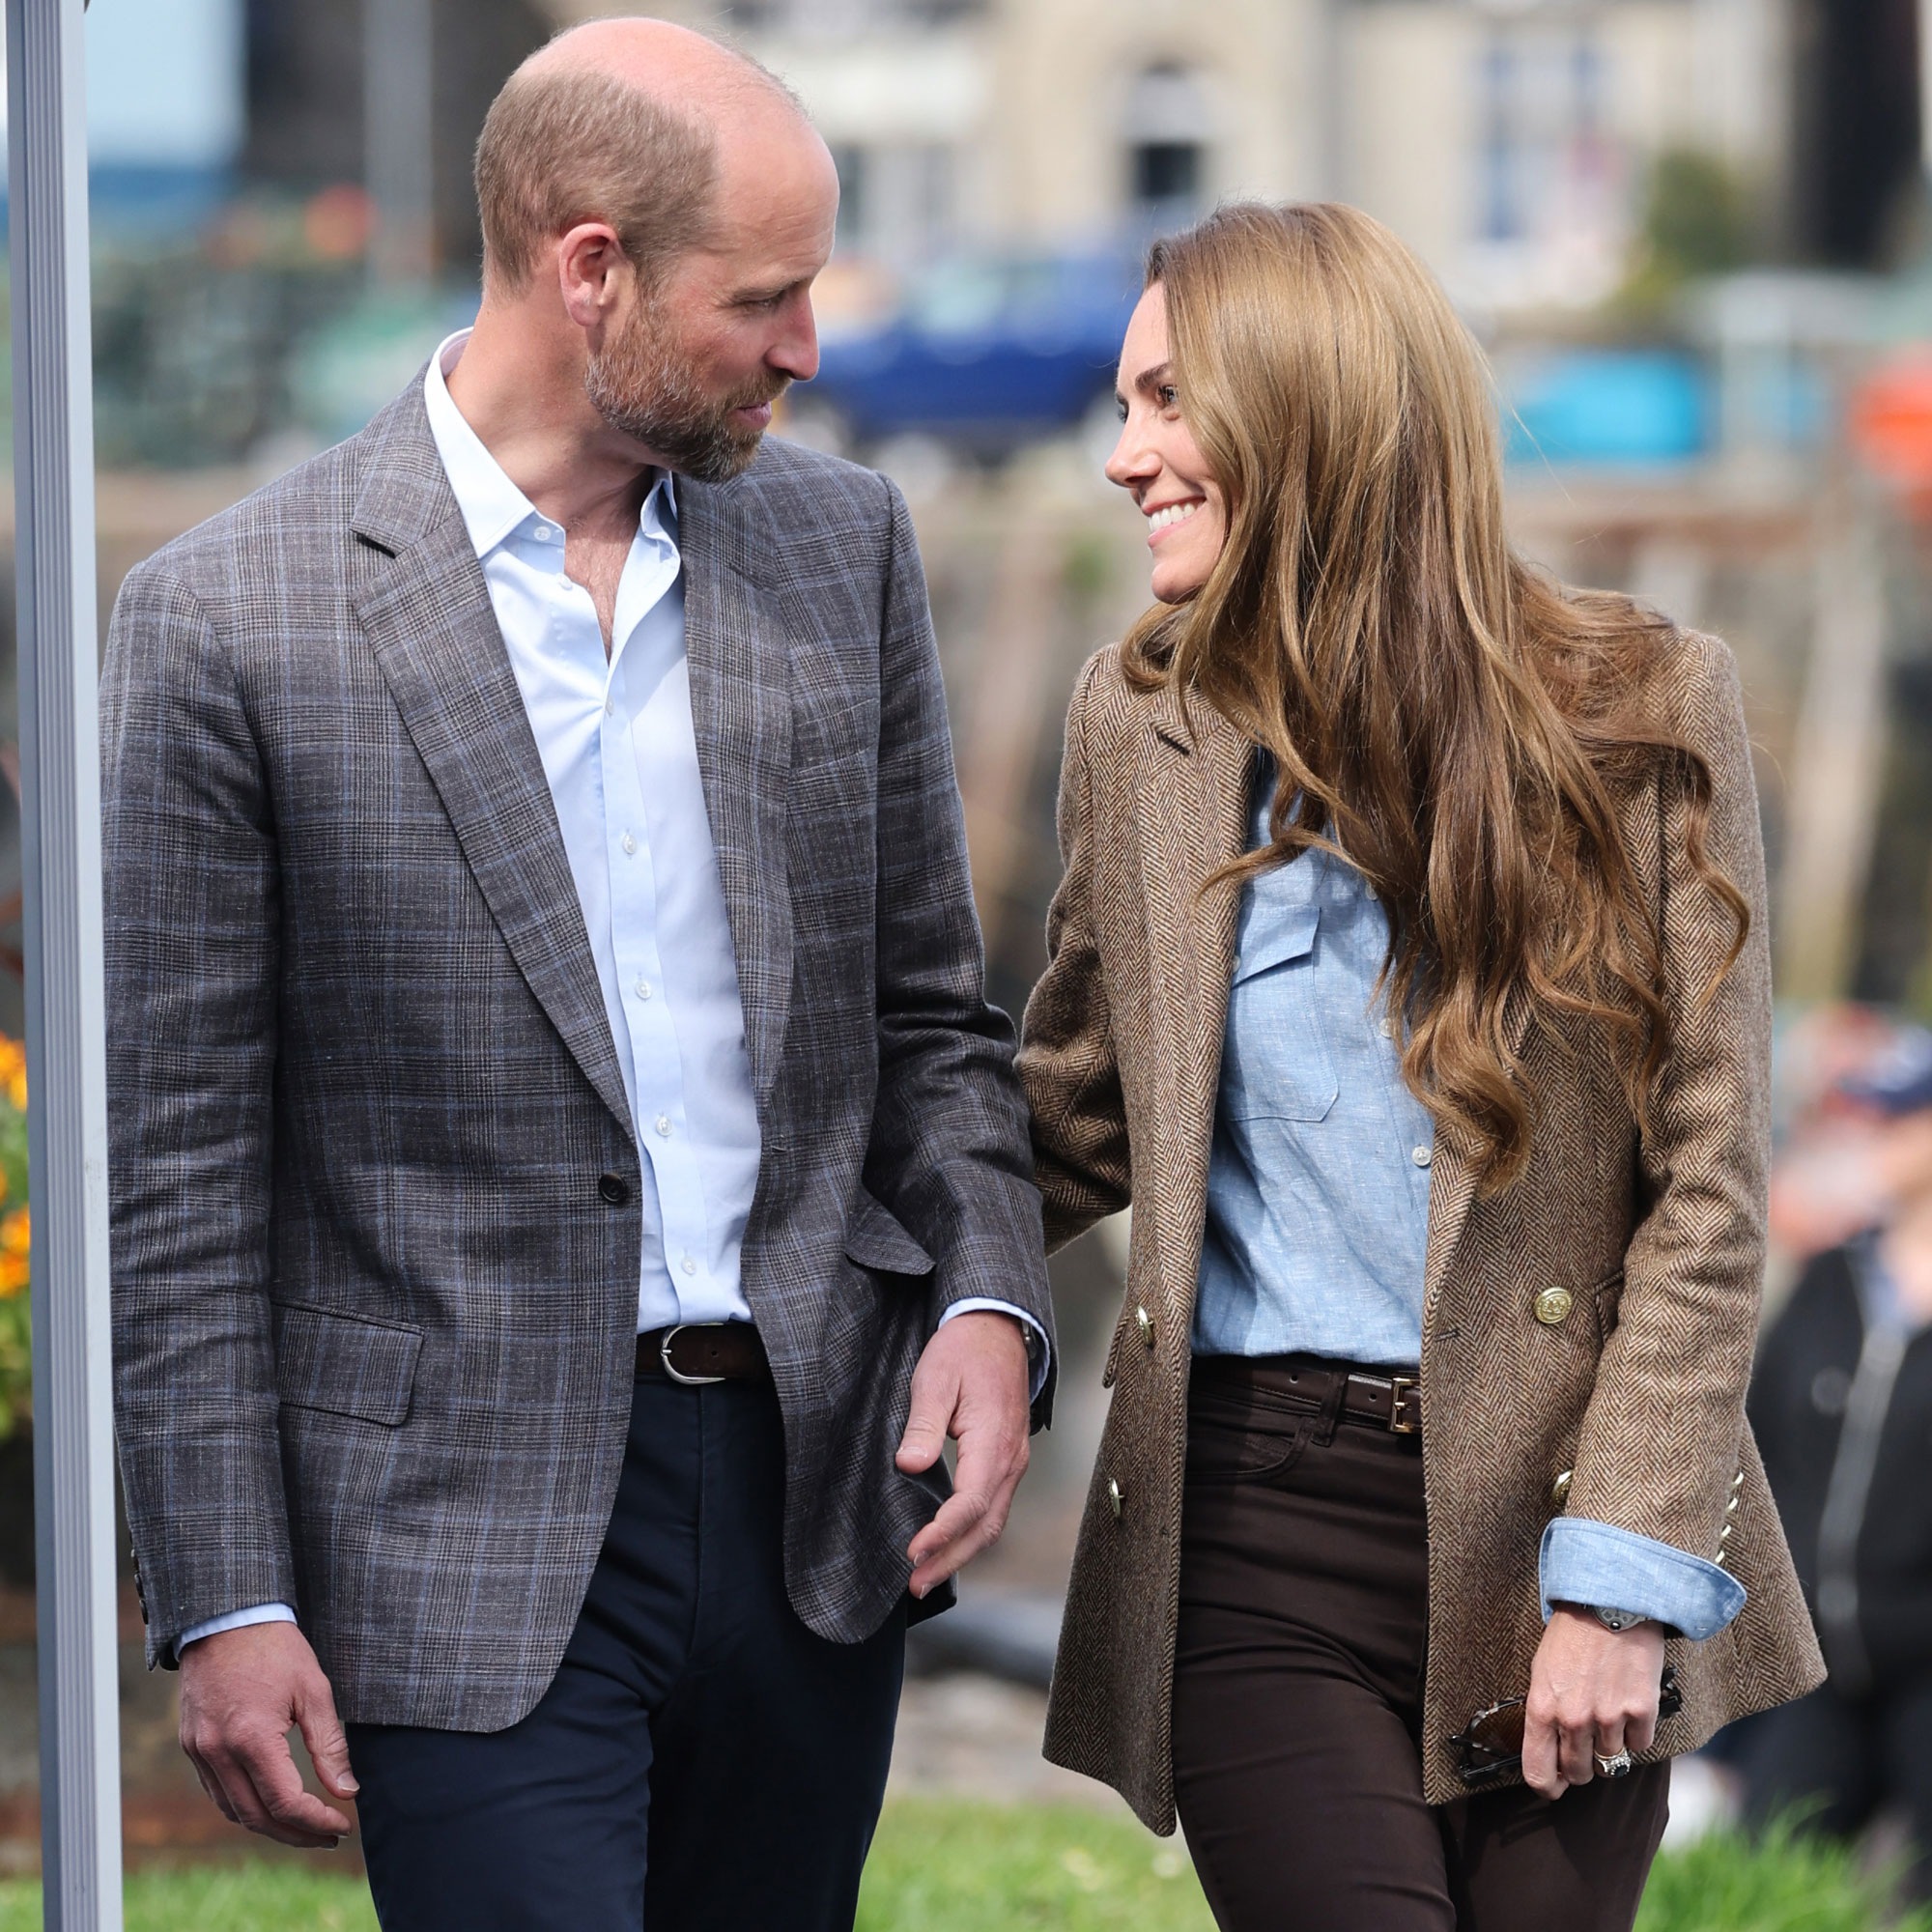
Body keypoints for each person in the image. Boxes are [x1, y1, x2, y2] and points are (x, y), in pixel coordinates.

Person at [103, 21, 1054, 1931]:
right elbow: (181, 1168)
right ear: (590, 266)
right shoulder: (225, 620)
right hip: (452, 1532)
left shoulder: (840, 543)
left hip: (807, 1510)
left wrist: (988, 1304)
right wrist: (226, 1593)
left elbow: (931, 1026)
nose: (809, 346)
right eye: (764, 297)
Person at [1016, 200, 1822, 1932]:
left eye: (1165, 401)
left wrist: (1618, 1581)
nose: (1122, 456)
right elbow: (1073, 1107)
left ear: (1303, 406)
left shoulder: (1646, 709)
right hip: (1250, 1518)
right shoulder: (1135, 718)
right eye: (1122, 407)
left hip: (1560, 1510)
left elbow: (1707, 1186)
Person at [1737, 1029, 1932, 1900]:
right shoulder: (1825, 1286)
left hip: (1923, 1674)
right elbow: (1755, 1460)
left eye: (1893, 1120)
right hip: (1814, 1671)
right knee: (1760, 1889)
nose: (1864, 1140)